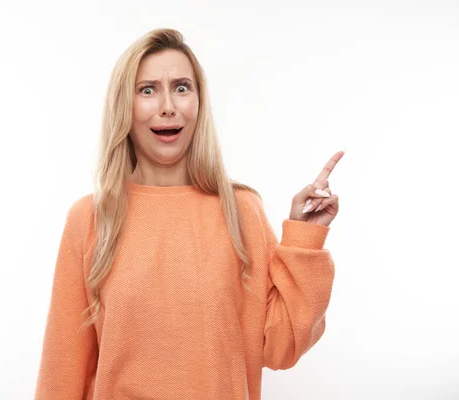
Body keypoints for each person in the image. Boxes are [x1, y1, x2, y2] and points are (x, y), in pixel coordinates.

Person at [34, 28, 344, 400]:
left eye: (181, 87)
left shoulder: (241, 210)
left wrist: (304, 239)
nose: (168, 105)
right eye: (147, 90)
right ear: (124, 106)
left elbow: (281, 346)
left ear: (199, 101)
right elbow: (62, 372)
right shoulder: (89, 219)